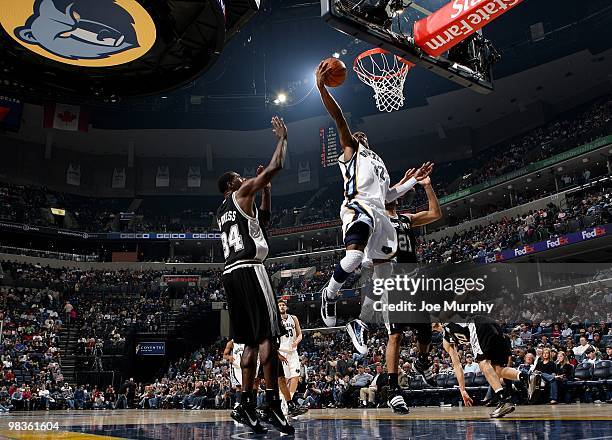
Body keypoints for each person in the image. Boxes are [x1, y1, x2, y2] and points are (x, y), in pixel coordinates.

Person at [314, 59, 432, 354]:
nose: (358, 136)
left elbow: (388, 197)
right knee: (353, 258)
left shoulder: (377, 160)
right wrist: (321, 88)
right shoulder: (351, 154)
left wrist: (413, 182)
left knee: (384, 280)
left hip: (380, 214)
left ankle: (360, 323)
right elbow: (339, 118)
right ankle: (329, 293)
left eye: (361, 136)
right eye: (355, 137)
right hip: (358, 208)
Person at [216, 116, 293, 435]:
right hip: (251, 269)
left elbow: (263, 220)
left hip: (230, 274)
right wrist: (282, 140)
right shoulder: (241, 192)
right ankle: (272, 404)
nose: (244, 177)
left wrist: (267, 191)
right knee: (269, 338)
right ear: (232, 185)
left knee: (247, 341)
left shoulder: (222, 212)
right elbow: (275, 167)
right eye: (239, 177)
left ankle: (244, 403)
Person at [380, 174, 441, 413]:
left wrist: (427, 186)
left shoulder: (406, 218)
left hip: (413, 280)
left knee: (425, 331)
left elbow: (435, 214)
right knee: (395, 334)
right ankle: (393, 390)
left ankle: (422, 361)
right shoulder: (377, 218)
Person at [435, 322, 528, 418]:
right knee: (497, 370)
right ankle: (526, 377)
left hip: (479, 325)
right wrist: (462, 390)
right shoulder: (446, 340)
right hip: (493, 329)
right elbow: (457, 366)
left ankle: (503, 401)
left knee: (482, 363)